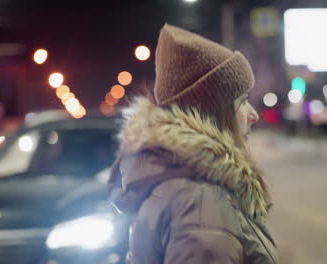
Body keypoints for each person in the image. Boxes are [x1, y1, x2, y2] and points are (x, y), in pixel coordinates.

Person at [108, 24, 279, 263]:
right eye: (241, 102)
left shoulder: (181, 186)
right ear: (214, 114)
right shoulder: (199, 205)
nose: (254, 115)